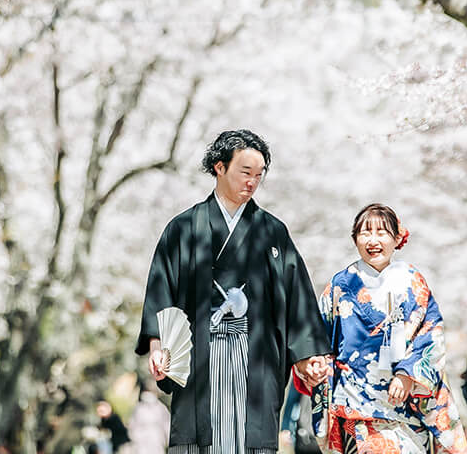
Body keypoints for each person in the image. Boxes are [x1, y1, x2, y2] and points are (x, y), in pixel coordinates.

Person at [137, 129, 332, 454]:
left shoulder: (272, 231)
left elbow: (297, 296)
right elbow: (161, 291)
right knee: (199, 438)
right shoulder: (182, 229)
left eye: (259, 175)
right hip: (198, 353)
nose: (252, 182)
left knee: (251, 436)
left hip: (255, 357)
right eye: (245, 172)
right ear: (219, 167)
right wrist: (158, 346)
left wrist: (306, 355)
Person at [302, 203, 467, 454]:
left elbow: (430, 334)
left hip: (404, 405)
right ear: (354, 239)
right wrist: (315, 364)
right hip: (354, 404)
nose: (373, 240)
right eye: (365, 233)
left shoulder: (412, 281)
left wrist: (406, 374)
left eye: (381, 232)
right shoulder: (341, 284)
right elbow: (319, 336)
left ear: (397, 238)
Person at [127, 383, 170, 454]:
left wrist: (134, 438)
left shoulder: (138, 407)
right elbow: (167, 424)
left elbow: (132, 425)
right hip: (156, 438)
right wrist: (167, 440)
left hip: (143, 440)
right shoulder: (160, 406)